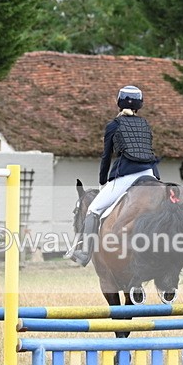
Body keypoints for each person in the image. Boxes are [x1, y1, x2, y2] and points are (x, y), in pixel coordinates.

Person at [67, 85, 161, 266]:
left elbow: (106, 155)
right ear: (139, 105)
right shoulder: (145, 124)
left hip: (125, 175)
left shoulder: (113, 125)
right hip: (150, 174)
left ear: (119, 102)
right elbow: (146, 151)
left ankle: (84, 253)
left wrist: (103, 180)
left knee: (93, 210)